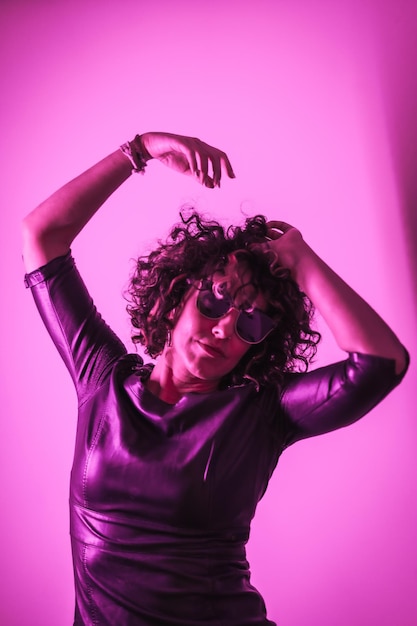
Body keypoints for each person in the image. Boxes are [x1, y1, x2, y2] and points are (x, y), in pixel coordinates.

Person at [22, 131, 408, 626]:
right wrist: (140, 149)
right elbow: (41, 234)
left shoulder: (263, 413)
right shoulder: (102, 379)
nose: (226, 325)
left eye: (251, 321)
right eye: (217, 298)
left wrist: (301, 260)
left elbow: (379, 364)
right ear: (179, 291)